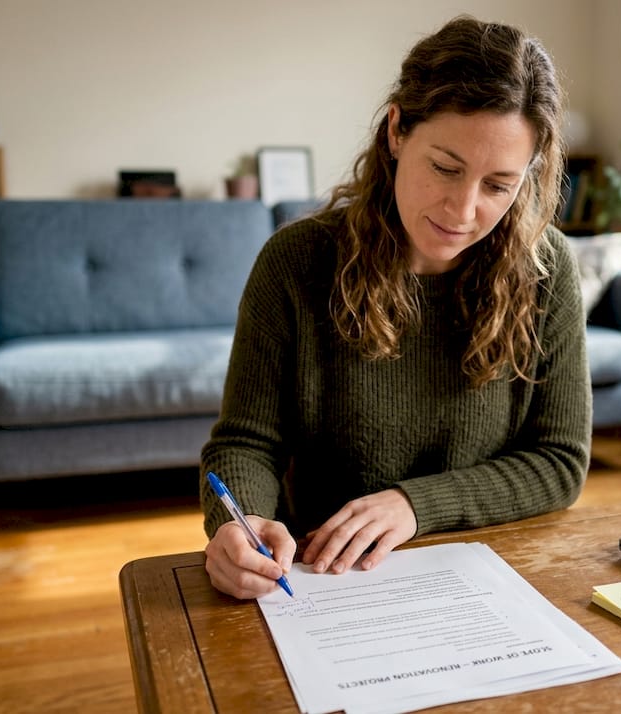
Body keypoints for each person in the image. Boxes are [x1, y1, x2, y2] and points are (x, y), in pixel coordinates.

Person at [200, 15, 590, 599]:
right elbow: (245, 444)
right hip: (328, 584)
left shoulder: (546, 266)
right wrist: (243, 524)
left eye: (498, 186)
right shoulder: (297, 261)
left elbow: (559, 460)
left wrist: (415, 505)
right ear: (397, 130)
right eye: (445, 168)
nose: (462, 211)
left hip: (491, 575)